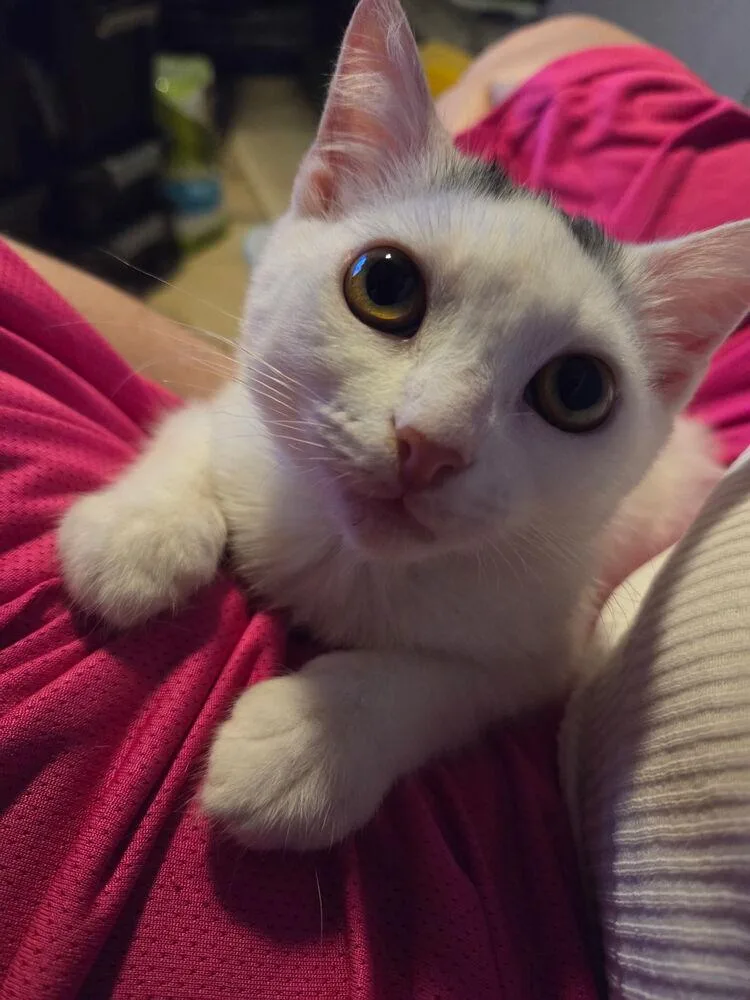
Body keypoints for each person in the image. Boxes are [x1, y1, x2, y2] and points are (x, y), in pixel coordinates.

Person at [2, 15, 750, 998]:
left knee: (552, 46)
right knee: (559, 43)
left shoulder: (525, 597)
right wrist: (169, 493)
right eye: (387, 288)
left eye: (572, 391)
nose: (432, 433)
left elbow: (529, 666)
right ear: (320, 199)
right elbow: (218, 424)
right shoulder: (250, 445)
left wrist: (379, 716)